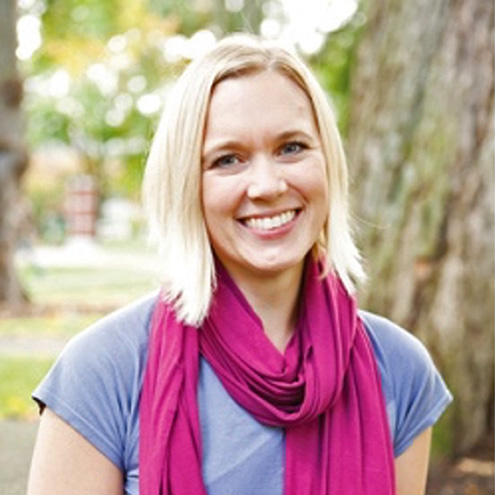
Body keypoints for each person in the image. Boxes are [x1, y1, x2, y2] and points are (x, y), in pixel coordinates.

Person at [27, 34, 452, 495]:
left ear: (328, 162)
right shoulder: (102, 371)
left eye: (291, 148)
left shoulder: (401, 370)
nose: (267, 185)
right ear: (187, 184)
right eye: (228, 159)